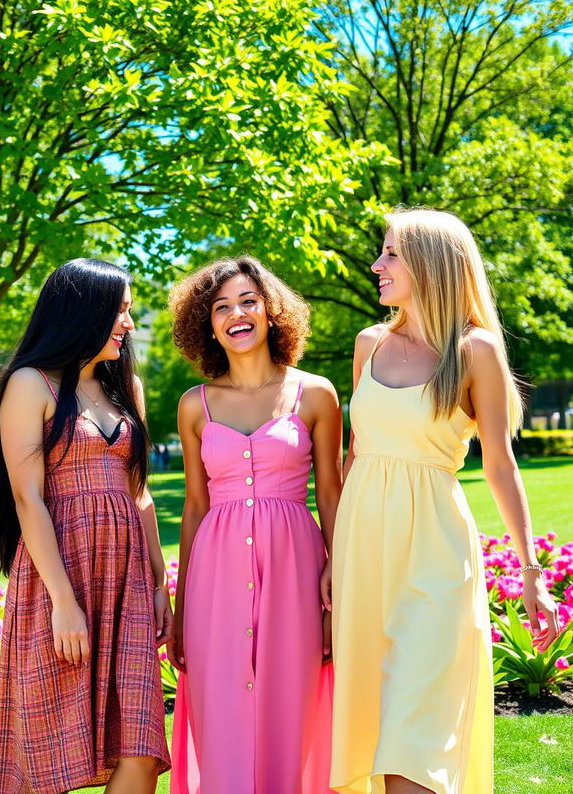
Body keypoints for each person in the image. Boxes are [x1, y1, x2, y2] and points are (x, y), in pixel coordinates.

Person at [325, 208, 560, 794]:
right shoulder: (368, 343)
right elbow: (356, 455)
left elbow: (500, 465)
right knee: (374, 722)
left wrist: (532, 572)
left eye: (391, 254)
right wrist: (333, 555)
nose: (377, 265)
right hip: (365, 550)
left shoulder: (476, 351)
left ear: (431, 263)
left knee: (417, 732)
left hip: (435, 551)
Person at [0, 258, 171, 794]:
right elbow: (28, 499)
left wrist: (157, 583)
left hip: (126, 583)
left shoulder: (128, 388)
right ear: (85, 311)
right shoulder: (31, 385)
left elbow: (139, 492)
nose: (127, 323)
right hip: (59, 578)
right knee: (47, 750)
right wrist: (64, 603)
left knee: (141, 748)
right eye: (120, 311)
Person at [167, 256, 342, 794]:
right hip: (214, 580)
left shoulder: (315, 394)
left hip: (296, 572)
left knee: (293, 711)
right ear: (207, 324)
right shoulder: (194, 405)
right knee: (219, 713)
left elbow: (332, 495)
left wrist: (340, 576)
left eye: (248, 301)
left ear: (271, 312)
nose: (235, 314)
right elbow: (195, 507)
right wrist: (180, 609)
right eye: (221, 307)